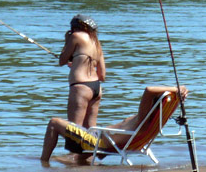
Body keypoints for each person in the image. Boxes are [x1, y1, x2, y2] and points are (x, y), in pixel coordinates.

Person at [40, 85, 188, 164]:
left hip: (99, 142)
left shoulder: (144, 118)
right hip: (105, 140)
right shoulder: (158, 119)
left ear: (152, 104)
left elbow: (148, 90)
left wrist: (175, 89)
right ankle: (60, 161)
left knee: (54, 123)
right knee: (75, 159)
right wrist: (178, 94)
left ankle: (44, 164)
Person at [58, 14, 106, 143]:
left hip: (81, 87)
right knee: (90, 130)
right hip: (96, 88)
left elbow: (62, 60)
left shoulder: (75, 36)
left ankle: (73, 159)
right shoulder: (96, 42)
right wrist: (77, 65)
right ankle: (88, 158)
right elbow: (102, 76)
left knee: (75, 131)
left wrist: (67, 41)